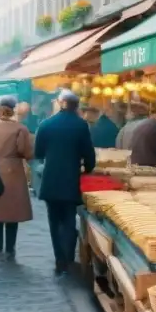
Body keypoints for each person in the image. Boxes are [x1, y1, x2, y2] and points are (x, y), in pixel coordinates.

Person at [34, 90, 97, 273]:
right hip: (71, 179)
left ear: (60, 103)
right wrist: (89, 168)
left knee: (53, 220)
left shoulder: (46, 124)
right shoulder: (81, 125)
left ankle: (59, 258)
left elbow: (38, 152)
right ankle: (69, 256)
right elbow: (88, 153)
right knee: (69, 218)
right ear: (76, 106)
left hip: (51, 179)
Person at [0, 97, 34, 257]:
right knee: (12, 211)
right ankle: (10, 247)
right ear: (13, 110)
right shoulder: (20, 128)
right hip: (14, 171)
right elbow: (25, 151)